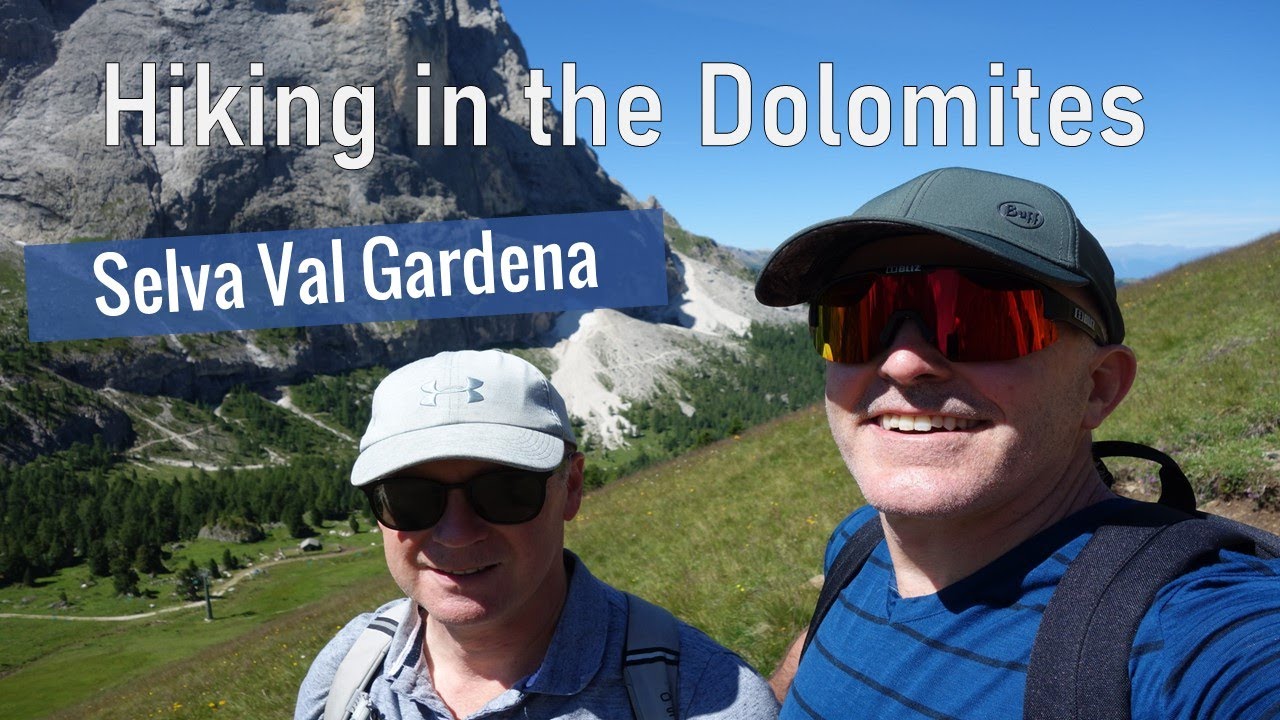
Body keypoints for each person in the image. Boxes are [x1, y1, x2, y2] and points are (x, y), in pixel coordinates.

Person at [754, 167, 1280, 718]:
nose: (903, 363)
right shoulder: (858, 545)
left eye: (982, 318)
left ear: (1097, 387)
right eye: (856, 317)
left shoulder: (1184, 629)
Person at [296, 349, 778, 720]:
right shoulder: (347, 671)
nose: (458, 533)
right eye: (409, 498)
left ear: (571, 487)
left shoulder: (704, 694)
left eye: (506, 491)